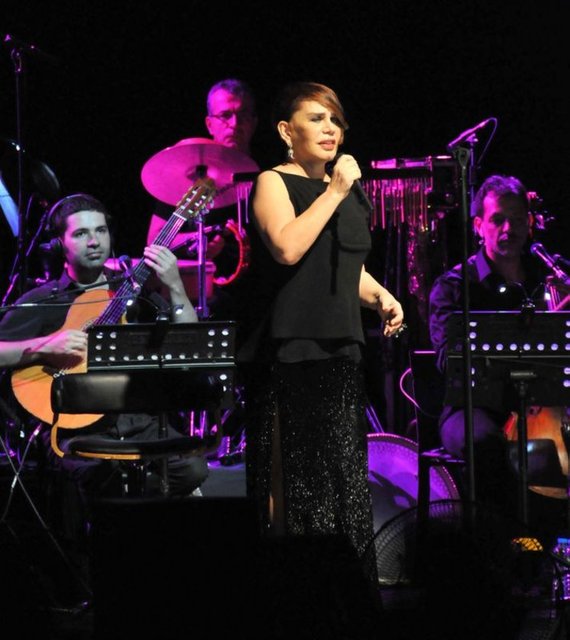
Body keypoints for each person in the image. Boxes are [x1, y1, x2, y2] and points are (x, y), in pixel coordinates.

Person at [237, 81, 404, 586]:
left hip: (341, 346)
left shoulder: (346, 193)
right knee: (296, 483)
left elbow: (344, 267)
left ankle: (346, 592)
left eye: (334, 120)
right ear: (286, 131)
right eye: (316, 119)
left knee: (342, 481)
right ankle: (296, 592)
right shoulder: (273, 182)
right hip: (290, 352)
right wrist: (333, 192)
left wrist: (380, 295)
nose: (330, 129)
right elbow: (288, 248)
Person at [0, 193, 209, 507]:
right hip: (75, 428)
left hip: (139, 423)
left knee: (193, 469)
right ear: (60, 244)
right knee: (99, 478)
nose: (94, 241)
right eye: (81, 233)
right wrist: (43, 347)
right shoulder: (44, 300)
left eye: (100, 230)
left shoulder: (133, 291)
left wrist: (175, 285)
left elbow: (190, 343)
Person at [428, 174, 552, 515]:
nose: (508, 229)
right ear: (479, 225)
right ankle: (501, 539)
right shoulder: (454, 286)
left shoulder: (548, 278)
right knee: (486, 444)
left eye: (517, 219)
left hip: (543, 404)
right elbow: (448, 360)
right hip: (472, 407)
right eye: (497, 220)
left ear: (529, 223)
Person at [146, 78, 259, 321]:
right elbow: (154, 242)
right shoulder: (185, 176)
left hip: (256, 300)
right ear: (209, 123)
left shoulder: (267, 178)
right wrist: (197, 242)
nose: (234, 124)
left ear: (254, 122)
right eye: (225, 115)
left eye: (242, 115)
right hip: (195, 298)